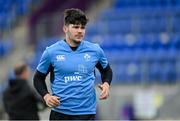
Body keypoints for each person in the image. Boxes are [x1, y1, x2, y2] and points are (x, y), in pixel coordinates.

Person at [33, 8, 113, 120]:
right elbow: (38, 78)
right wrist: (46, 96)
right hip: (60, 113)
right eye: (75, 27)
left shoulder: (95, 50)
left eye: (83, 27)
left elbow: (107, 71)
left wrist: (106, 84)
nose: (80, 31)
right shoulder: (51, 52)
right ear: (65, 28)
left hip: (86, 114)